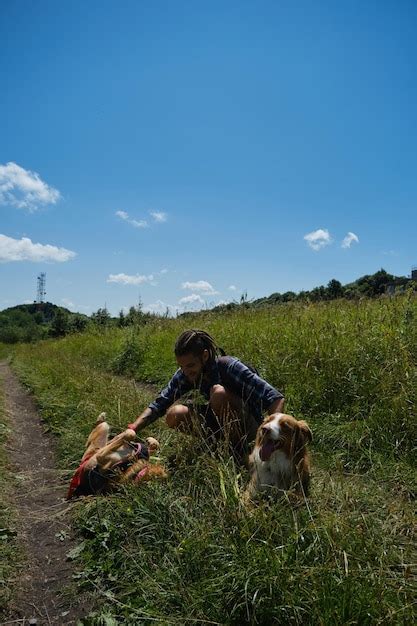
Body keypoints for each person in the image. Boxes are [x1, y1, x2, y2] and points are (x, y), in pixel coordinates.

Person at [128, 329, 284, 461]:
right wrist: (133, 428)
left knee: (218, 393)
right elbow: (160, 403)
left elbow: (274, 397)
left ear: (204, 356)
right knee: (174, 414)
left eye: (190, 365)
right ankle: (219, 443)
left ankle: (239, 452)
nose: (186, 371)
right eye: (181, 366)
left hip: (249, 425)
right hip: (222, 422)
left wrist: (271, 436)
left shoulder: (229, 366)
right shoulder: (187, 373)